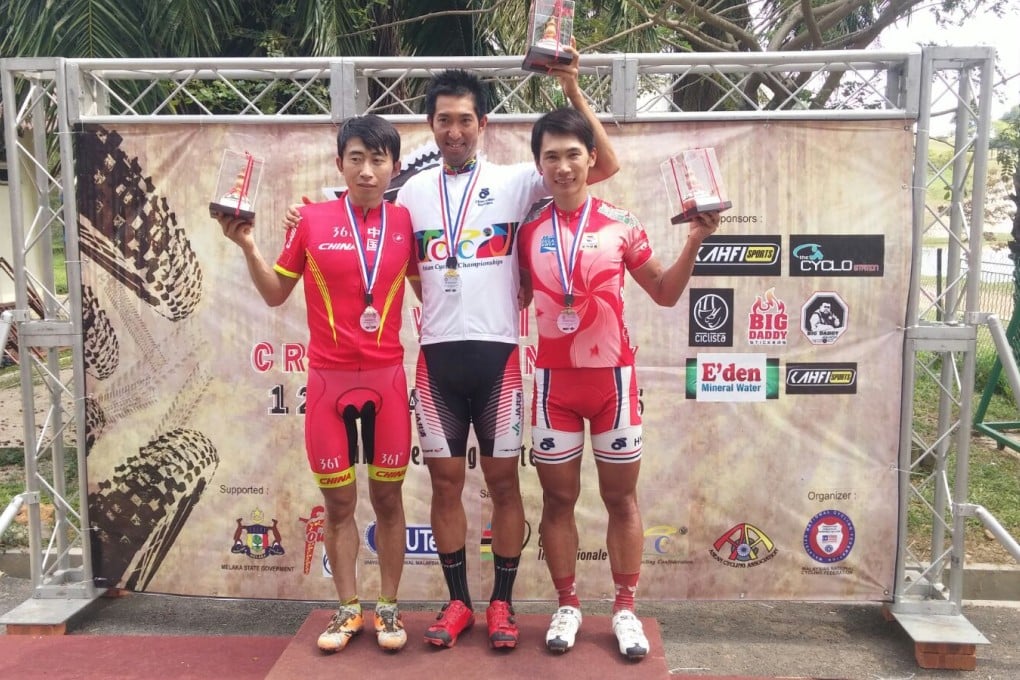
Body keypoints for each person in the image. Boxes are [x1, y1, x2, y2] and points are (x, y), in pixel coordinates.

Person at [397, 49, 619, 650]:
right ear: (432, 126)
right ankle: (456, 604)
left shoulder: (517, 181)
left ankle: (502, 603)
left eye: (465, 119)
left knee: (502, 485)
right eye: (444, 119)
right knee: (444, 484)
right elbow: (390, 249)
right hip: (436, 357)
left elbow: (604, 166)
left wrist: (573, 90)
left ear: (483, 125)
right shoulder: (411, 193)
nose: (455, 130)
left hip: (498, 357)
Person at [516, 107, 720, 659]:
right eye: (551, 156)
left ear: (591, 159)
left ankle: (625, 609)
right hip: (553, 382)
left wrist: (696, 241)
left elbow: (665, 292)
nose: (562, 166)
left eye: (572, 154)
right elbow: (510, 297)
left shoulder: (622, 223)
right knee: (557, 501)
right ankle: (567, 605)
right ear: (539, 164)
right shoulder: (527, 228)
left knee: (620, 499)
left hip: (614, 382)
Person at [215, 115, 417, 654]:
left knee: (389, 501)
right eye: (357, 158)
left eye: (378, 160)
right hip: (327, 383)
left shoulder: (407, 223)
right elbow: (276, 294)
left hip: (388, 380)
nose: (367, 170)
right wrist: (249, 247)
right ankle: (348, 609)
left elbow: (436, 288)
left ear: (394, 167)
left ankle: (389, 607)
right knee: (340, 506)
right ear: (340, 164)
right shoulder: (311, 220)